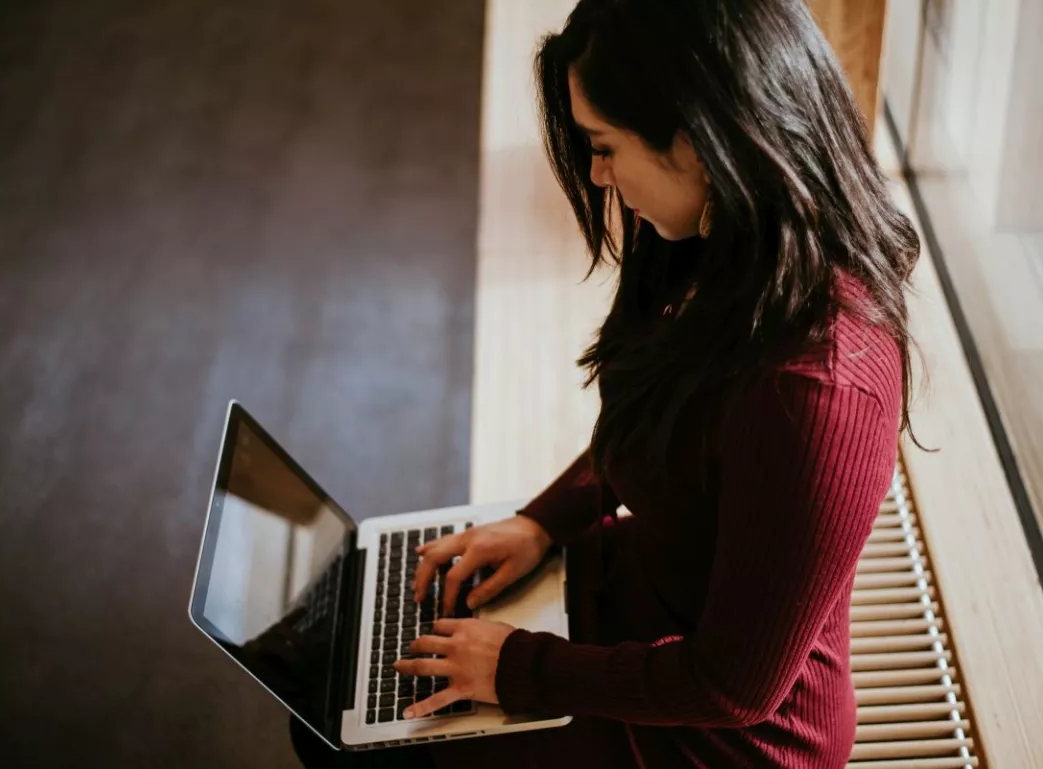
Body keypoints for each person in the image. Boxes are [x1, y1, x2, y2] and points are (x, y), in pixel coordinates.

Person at [290, 0, 919, 766]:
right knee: (336, 688)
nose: (596, 174)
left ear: (697, 144)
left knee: (345, 737)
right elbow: (669, 425)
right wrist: (542, 522)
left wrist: (517, 667)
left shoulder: (817, 391)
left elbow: (734, 686)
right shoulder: (715, 240)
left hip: (722, 737)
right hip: (645, 599)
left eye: (604, 146)